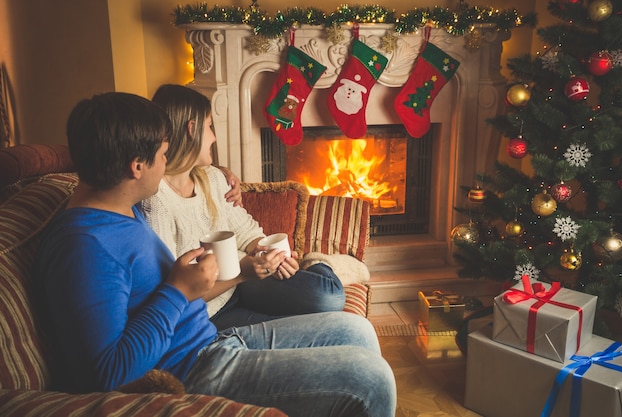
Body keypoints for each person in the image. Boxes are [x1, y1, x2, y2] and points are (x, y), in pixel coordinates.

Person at [34, 91, 396, 416]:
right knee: (371, 379)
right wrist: (178, 290)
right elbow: (109, 372)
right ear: (136, 166)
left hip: (209, 341)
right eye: (163, 154)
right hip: (191, 369)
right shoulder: (84, 248)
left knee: (356, 329)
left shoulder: (116, 204)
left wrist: (219, 174)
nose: (167, 162)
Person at [140, 84, 345, 330]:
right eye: (209, 126)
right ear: (192, 129)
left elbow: (246, 230)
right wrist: (243, 271)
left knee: (329, 295)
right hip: (209, 312)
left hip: (245, 282)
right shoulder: (156, 201)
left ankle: (315, 262)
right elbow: (173, 296)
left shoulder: (213, 178)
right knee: (321, 322)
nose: (214, 137)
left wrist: (271, 256)